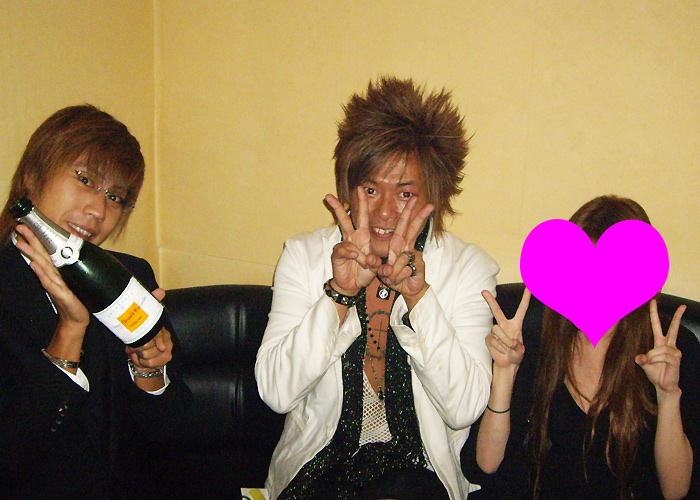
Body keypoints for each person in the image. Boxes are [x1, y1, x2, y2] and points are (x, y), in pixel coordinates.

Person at [255, 76, 499, 500]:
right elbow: (276, 392)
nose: (385, 211)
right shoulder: (304, 255)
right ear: (350, 189)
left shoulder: (468, 269)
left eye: (405, 194)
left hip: (419, 473)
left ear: (434, 196)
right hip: (321, 468)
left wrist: (419, 299)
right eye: (370, 189)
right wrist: (338, 294)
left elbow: (463, 409)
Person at [0, 104, 191, 499]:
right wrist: (70, 330)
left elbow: (169, 435)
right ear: (32, 175)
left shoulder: (130, 277)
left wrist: (149, 370)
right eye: (85, 179)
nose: (99, 211)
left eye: (116, 196)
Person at [462, 195, 700, 499]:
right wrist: (505, 373)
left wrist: (667, 397)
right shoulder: (533, 341)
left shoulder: (673, 350)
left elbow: (676, 491)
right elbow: (485, 465)